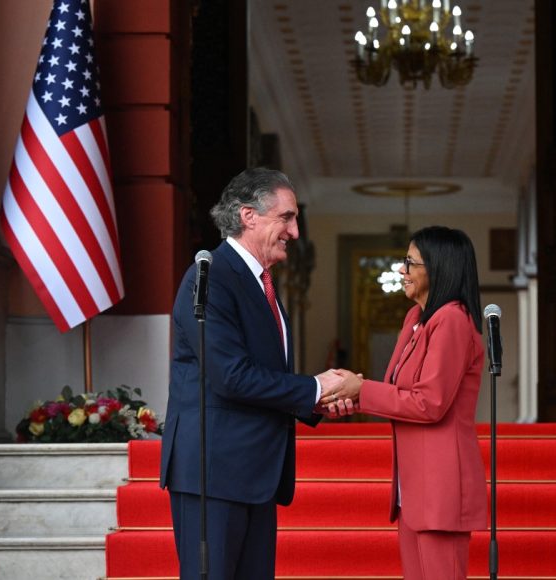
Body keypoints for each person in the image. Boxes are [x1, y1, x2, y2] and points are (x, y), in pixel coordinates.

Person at [159, 168, 346, 579]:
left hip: (254, 472)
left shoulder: (259, 282)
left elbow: (261, 373)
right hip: (213, 473)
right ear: (249, 216)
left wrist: (318, 400)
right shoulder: (209, 278)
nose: (295, 232)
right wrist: (315, 388)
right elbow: (232, 376)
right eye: (287, 218)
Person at [325, 226, 488, 580]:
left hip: (441, 486)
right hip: (414, 488)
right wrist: (343, 397)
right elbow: (395, 392)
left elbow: (429, 403)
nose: (402, 270)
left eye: (410, 263)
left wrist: (360, 389)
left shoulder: (453, 320)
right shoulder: (416, 318)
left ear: (439, 268)